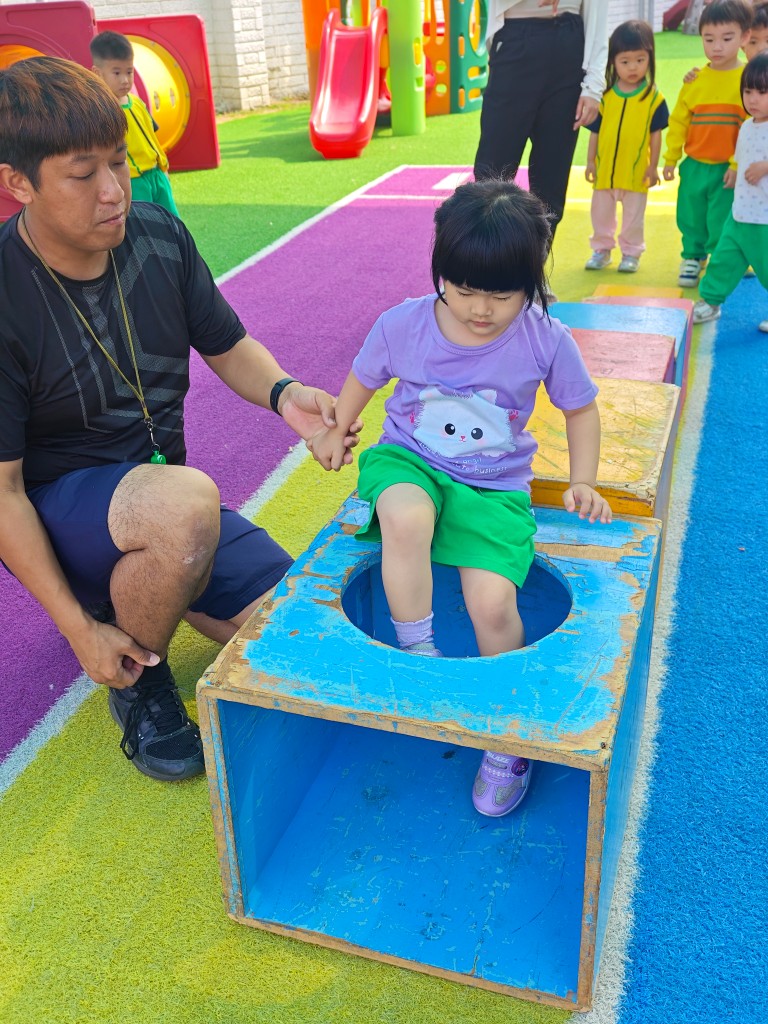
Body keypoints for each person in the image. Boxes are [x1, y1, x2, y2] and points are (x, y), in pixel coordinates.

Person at [0, 57, 359, 783]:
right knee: (185, 505)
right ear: (18, 183)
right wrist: (79, 630)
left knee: (311, 636)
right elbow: (3, 493)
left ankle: (165, 577)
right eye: (82, 174)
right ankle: (138, 681)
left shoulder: (158, 237)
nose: (113, 191)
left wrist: (286, 393)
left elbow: (227, 344)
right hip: (62, 511)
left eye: (119, 162)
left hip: (163, 501)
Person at [306, 180, 612, 818]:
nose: (480, 309)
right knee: (406, 514)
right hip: (410, 460)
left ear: (531, 283)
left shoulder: (545, 338)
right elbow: (364, 377)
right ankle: (418, 649)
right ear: (441, 272)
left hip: (493, 487)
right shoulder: (405, 324)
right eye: (465, 289)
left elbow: (580, 409)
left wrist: (583, 478)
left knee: (493, 604)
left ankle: (508, 738)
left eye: (501, 295)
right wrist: (337, 430)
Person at [473, 0, 609, 240]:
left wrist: (594, 86)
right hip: (515, 38)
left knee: (551, 185)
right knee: (491, 177)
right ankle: (481, 260)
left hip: (569, 45)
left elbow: (598, 12)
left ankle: (535, 262)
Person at [663, 0, 753, 288]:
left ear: (744, 37)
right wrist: (671, 157)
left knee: (722, 217)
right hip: (695, 165)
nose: (717, 47)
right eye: (709, 39)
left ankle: (723, 258)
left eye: (727, 38)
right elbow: (679, 121)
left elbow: (751, 128)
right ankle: (692, 255)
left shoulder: (748, 80)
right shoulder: (695, 80)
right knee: (690, 213)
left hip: (727, 169)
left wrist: (736, 164)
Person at [584, 20, 669, 273]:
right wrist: (590, 161)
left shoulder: (654, 99)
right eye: (625, 61)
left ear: (650, 59)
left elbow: (655, 136)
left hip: (635, 173)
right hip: (605, 172)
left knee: (633, 218)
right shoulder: (604, 97)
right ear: (613, 62)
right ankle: (602, 250)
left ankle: (631, 253)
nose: (633, 67)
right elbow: (595, 133)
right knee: (600, 214)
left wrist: (653, 167)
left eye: (640, 60)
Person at [692, 51, 768, 330]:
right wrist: (735, 169)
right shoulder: (747, 126)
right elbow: (742, 155)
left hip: (765, 220)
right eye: (748, 91)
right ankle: (710, 302)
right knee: (723, 260)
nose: (753, 99)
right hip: (739, 214)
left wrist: (765, 166)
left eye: (762, 92)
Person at [90, 31, 179, 217]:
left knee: (171, 220)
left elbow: (152, 137)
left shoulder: (137, 103)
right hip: (133, 181)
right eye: (116, 73)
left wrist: (163, 166)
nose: (125, 80)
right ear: (98, 73)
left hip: (156, 175)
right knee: (144, 223)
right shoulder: (102, 112)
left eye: (129, 72)